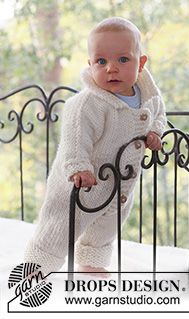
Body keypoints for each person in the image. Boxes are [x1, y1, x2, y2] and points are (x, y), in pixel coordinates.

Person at [24, 17, 167, 277]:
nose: (112, 68)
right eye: (101, 61)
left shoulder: (148, 97)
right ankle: (36, 268)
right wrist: (80, 167)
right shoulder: (88, 103)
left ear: (141, 63)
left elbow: (159, 116)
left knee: (107, 226)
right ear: (90, 65)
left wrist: (156, 133)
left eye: (123, 60)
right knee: (61, 226)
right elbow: (75, 139)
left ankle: (91, 263)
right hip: (82, 184)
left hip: (120, 185)